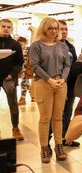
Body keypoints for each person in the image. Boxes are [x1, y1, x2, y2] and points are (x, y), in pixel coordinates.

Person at [29, 17, 71, 163]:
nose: (54, 31)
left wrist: (62, 79)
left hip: (60, 84)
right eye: (50, 28)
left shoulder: (61, 45)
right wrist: (49, 80)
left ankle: (59, 145)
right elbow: (35, 66)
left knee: (58, 117)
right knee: (45, 118)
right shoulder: (36, 45)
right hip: (43, 83)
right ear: (44, 29)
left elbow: (67, 64)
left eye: (56, 28)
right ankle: (44, 147)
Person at [0, 18, 24, 140]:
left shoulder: (15, 44)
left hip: (9, 78)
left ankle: (15, 128)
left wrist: (12, 74)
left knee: (13, 104)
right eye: (3, 26)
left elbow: (19, 62)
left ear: (12, 29)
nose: (6, 29)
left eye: (8, 27)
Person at [57, 20, 79, 147]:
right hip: (56, 83)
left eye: (65, 29)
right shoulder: (50, 46)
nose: (64, 31)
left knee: (67, 112)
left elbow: (74, 64)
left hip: (70, 84)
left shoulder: (70, 46)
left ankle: (65, 138)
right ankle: (51, 142)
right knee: (55, 114)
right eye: (61, 29)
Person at [17, 36, 32, 106]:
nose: (20, 46)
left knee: (23, 83)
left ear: (25, 43)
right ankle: (33, 94)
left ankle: (22, 98)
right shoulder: (19, 51)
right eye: (19, 44)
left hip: (26, 70)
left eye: (21, 44)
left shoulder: (27, 50)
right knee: (26, 83)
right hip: (22, 70)